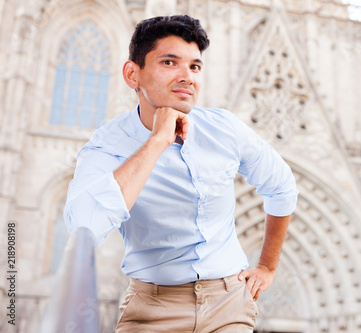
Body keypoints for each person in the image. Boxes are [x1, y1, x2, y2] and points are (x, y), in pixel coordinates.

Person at [64, 15, 298, 332]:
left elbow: (282, 187)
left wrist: (267, 267)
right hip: (152, 310)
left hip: (228, 303)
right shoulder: (106, 146)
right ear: (133, 74)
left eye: (195, 66)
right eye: (170, 62)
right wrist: (158, 141)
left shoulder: (224, 128)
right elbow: (85, 226)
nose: (186, 77)